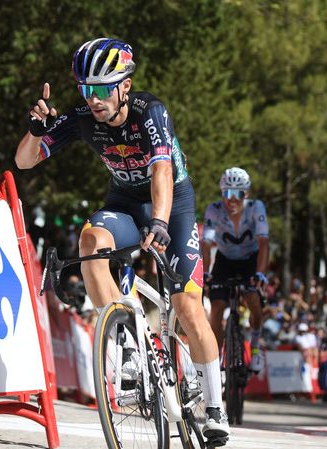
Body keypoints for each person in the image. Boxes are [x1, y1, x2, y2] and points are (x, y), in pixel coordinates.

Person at [14, 38, 229, 443]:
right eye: (84, 89)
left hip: (172, 204)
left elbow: (162, 172)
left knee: (186, 306)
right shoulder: (83, 118)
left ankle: (216, 407)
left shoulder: (152, 112)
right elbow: (24, 161)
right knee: (90, 242)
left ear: (124, 86)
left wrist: (162, 223)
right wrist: (34, 131)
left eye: (100, 89)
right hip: (125, 203)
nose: (92, 99)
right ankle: (128, 346)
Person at [202, 167, 269, 373]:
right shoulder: (214, 209)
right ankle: (218, 357)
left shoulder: (256, 208)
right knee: (217, 308)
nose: (231, 199)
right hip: (225, 260)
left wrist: (260, 274)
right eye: (227, 193)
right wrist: (205, 273)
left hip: (250, 260)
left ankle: (256, 349)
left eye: (237, 194)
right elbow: (205, 244)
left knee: (253, 301)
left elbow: (264, 242)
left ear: (245, 194)